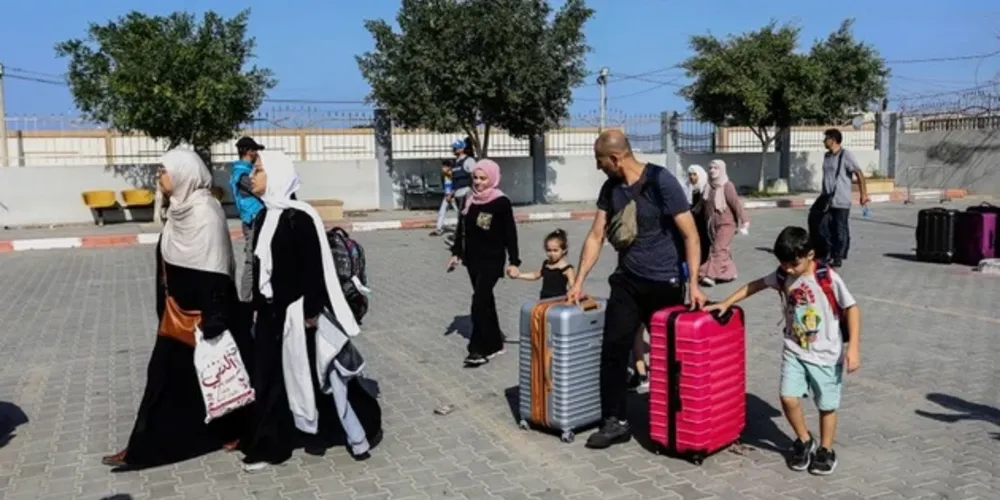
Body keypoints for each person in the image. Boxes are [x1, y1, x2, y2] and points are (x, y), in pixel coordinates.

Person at [102, 149, 251, 470]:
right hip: (175, 315)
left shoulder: (205, 212)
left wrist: (213, 319)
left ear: (184, 173)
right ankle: (141, 446)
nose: (160, 175)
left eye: (164, 170)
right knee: (164, 378)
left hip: (205, 318)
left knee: (215, 379)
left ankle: (228, 432)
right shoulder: (178, 211)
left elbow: (216, 268)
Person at [240, 150, 381, 471]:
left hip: (299, 315)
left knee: (323, 378)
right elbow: (262, 268)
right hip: (270, 314)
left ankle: (360, 427)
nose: (253, 177)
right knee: (267, 378)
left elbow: (314, 270)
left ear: (276, 175)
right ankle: (269, 446)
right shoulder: (263, 216)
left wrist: (311, 313)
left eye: (259, 170)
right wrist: (256, 308)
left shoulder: (300, 217)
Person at [567, 130, 706, 450]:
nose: (598, 167)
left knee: (670, 358)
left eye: (600, 162)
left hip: (665, 283)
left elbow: (691, 235)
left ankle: (672, 423)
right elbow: (595, 235)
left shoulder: (662, 182)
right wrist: (578, 282)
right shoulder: (610, 188)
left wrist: (695, 285)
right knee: (614, 349)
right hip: (627, 280)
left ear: (615, 158)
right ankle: (615, 422)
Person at [705, 226, 861, 476]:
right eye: (784, 264)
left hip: (826, 354)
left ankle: (825, 449)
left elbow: (852, 308)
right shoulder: (783, 275)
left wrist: (853, 347)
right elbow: (756, 285)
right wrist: (727, 302)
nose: (788, 269)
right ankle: (803, 439)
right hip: (794, 349)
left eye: (793, 264)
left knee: (826, 406)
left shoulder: (827, 277)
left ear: (810, 255)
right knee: (788, 397)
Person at [447, 159, 521, 367]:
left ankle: (478, 349)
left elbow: (510, 234)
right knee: (486, 301)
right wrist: (456, 253)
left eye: (483, 178)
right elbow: (463, 229)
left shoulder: (500, 202)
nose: (478, 182)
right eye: (475, 178)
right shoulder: (470, 199)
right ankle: (496, 344)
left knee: (478, 302)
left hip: (492, 260)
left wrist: (514, 261)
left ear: (493, 178)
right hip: (473, 260)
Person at [808, 129, 869, 268]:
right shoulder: (827, 156)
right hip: (826, 199)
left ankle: (838, 256)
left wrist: (863, 194)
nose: (824, 141)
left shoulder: (846, 155)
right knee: (821, 225)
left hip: (841, 200)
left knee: (839, 228)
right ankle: (827, 251)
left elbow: (859, 174)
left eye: (826, 139)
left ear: (833, 140)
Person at [699, 159, 749, 287]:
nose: (712, 171)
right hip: (712, 225)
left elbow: (736, 204)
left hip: (727, 224)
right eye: (710, 168)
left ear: (722, 170)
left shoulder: (727, 186)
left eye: (716, 168)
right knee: (721, 250)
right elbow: (701, 205)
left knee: (718, 248)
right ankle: (730, 272)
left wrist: (745, 221)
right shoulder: (708, 186)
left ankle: (710, 275)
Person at [230, 136, 266, 302]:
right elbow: (259, 190)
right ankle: (245, 301)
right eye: (255, 151)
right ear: (248, 152)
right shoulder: (242, 174)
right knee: (251, 262)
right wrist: (261, 172)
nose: (257, 155)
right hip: (252, 221)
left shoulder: (242, 171)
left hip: (253, 219)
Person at [510, 228, 576, 299]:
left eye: (555, 250)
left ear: (564, 250)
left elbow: (573, 287)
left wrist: (572, 298)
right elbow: (535, 275)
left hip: (559, 301)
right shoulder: (546, 264)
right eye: (549, 250)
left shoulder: (567, 268)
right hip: (544, 299)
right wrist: (519, 275)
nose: (552, 254)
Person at [430, 159, 460, 236]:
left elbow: (457, 185)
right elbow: (446, 185)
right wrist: (447, 195)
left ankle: (462, 230)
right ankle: (438, 229)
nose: (442, 168)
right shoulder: (445, 175)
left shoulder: (455, 175)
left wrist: (451, 195)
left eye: (444, 167)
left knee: (459, 213)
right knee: (442, 212)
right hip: (447, 196)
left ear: (449, 167)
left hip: (454, 196)